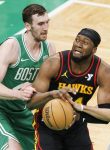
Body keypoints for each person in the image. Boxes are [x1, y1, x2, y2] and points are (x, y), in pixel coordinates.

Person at [27, 28, 110, 150]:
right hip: (46, 121)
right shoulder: (54, 63)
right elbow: (30, 103)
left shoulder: (104, 72)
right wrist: (52, 94)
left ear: (94, 50)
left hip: (77, 123)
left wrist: (79, 115)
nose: (78, 45)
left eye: (85, 42)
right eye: (77, 40)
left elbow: (107, 115)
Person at [0, 4, 57, 150]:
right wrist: (18, 94)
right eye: (40, 24)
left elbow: (52, 86)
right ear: (28, 25)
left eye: (47, 22)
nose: (45, 27)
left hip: (22, 112)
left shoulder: (49, 49)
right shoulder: (12, 46)